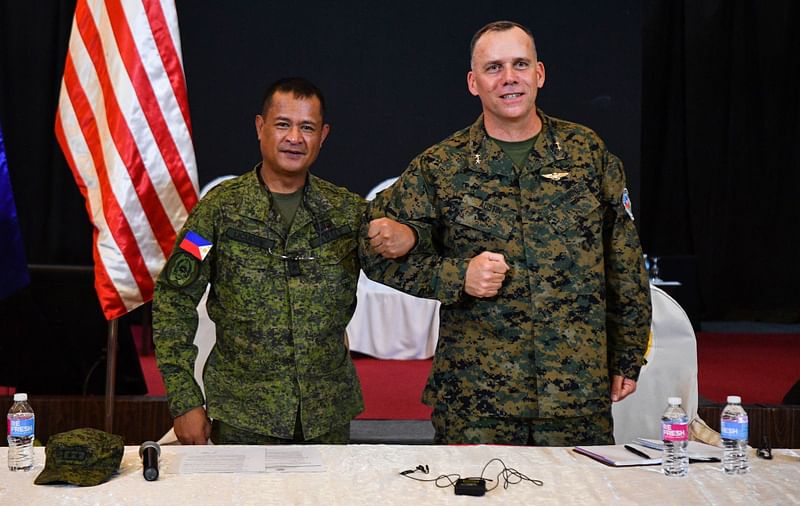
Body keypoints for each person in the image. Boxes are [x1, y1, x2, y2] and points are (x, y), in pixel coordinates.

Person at [362, 21, 652, 446]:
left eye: (520, 64)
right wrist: (455, 276)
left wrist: (628, 354)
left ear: (540, 73)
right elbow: (372, 251)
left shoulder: (587, 153)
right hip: (477, 401)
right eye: (494, 67)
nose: (509, 78)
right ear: (473, 82)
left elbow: (625, 261)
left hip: (574, 395)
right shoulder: (440, 166)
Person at [153, 77, 415, 445]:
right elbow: (173, 299)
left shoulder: (346, 212)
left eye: (307, 127)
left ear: (323, 135)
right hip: (243, 417)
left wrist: (414, 238)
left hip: (326, 417)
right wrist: (184, 401)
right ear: (261, 127)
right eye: (283, 124)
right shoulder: (218, 211)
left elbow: (407, 272)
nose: (295, 137)